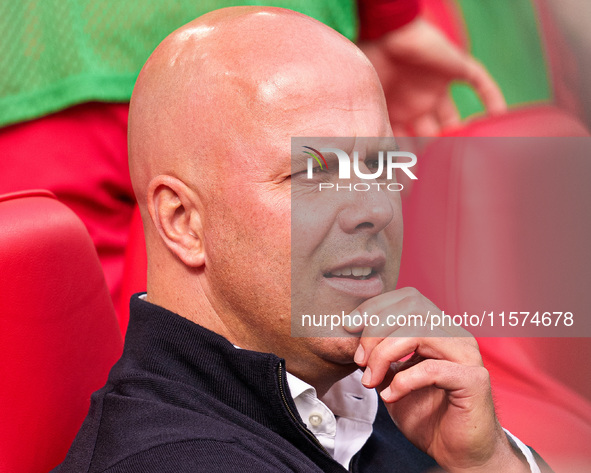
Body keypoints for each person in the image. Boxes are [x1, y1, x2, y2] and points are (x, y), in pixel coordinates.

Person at [53, 7, 546, 473]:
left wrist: (490, 460)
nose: (373, 209)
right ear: (183, 221)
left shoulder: (383, 403)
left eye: (379, 166)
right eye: (313, 173)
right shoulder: (176, 460)